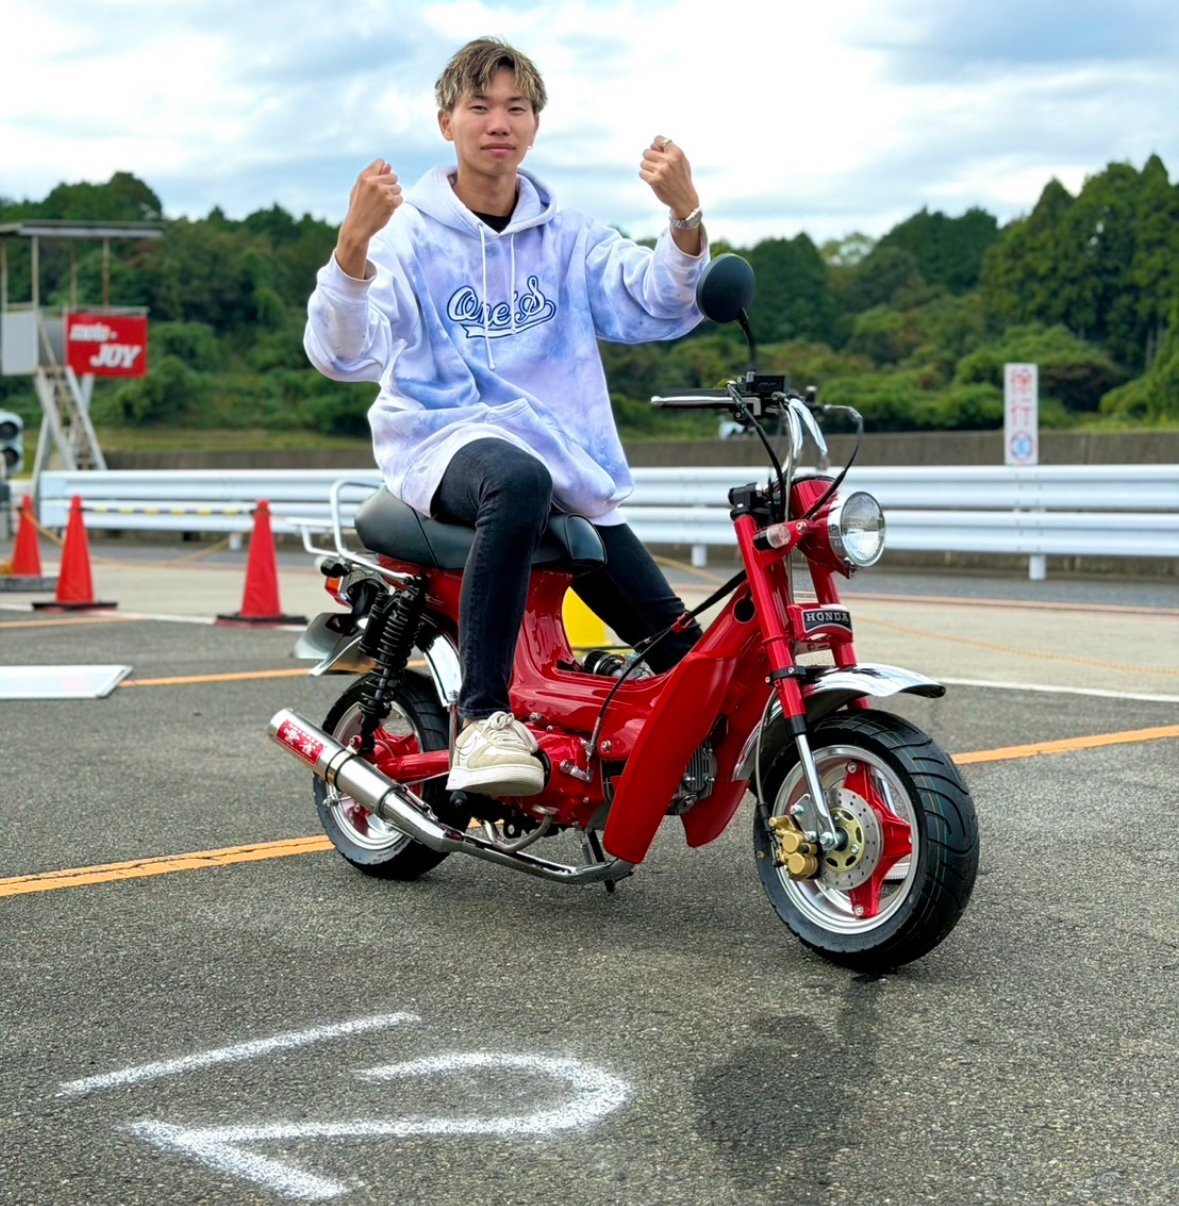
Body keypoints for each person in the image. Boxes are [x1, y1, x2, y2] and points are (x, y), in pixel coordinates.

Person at [304, 36, 709, 798]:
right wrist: (353, 243)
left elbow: (656, 300)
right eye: (480, 106)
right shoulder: (408, 238)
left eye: (516, 107)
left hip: (560, 459)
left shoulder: (568, 237)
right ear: (445, 121)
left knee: (682, 654)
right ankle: (483, 721)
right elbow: (345, 355)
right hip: (441, 438)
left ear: (534, 124)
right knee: (514, 477)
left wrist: (684, 213)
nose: (499, 122)